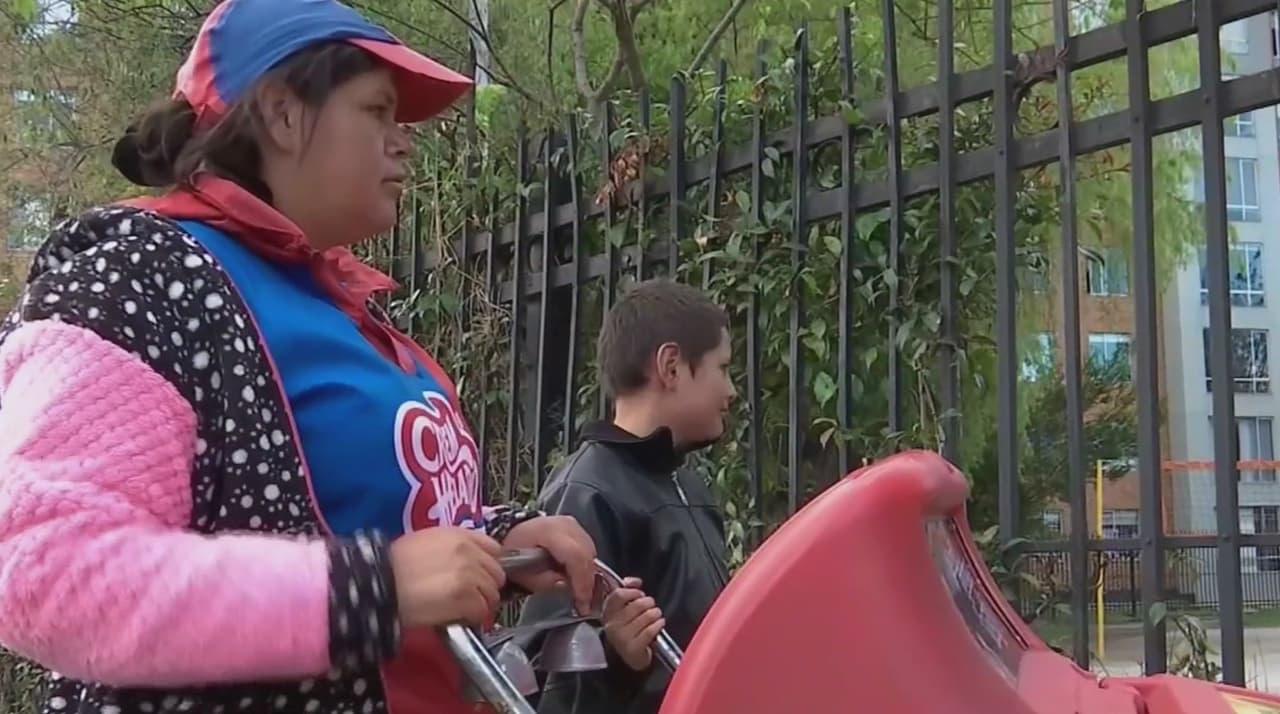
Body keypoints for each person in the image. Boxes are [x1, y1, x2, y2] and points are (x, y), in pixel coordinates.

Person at [0, 2, 599, 713]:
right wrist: (369, 590)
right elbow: (46, 570)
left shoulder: (334, 301)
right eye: (377, 110)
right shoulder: (136, 279)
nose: (404, 142)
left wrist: (495, 547)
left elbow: (366, 530)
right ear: (283, 115)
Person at [518, 278, 737, 714]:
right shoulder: (587, 493)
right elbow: (542, 678)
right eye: (724, 368)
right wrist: (616, 658)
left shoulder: (687, 485)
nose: (730, 391)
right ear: (671, 366)